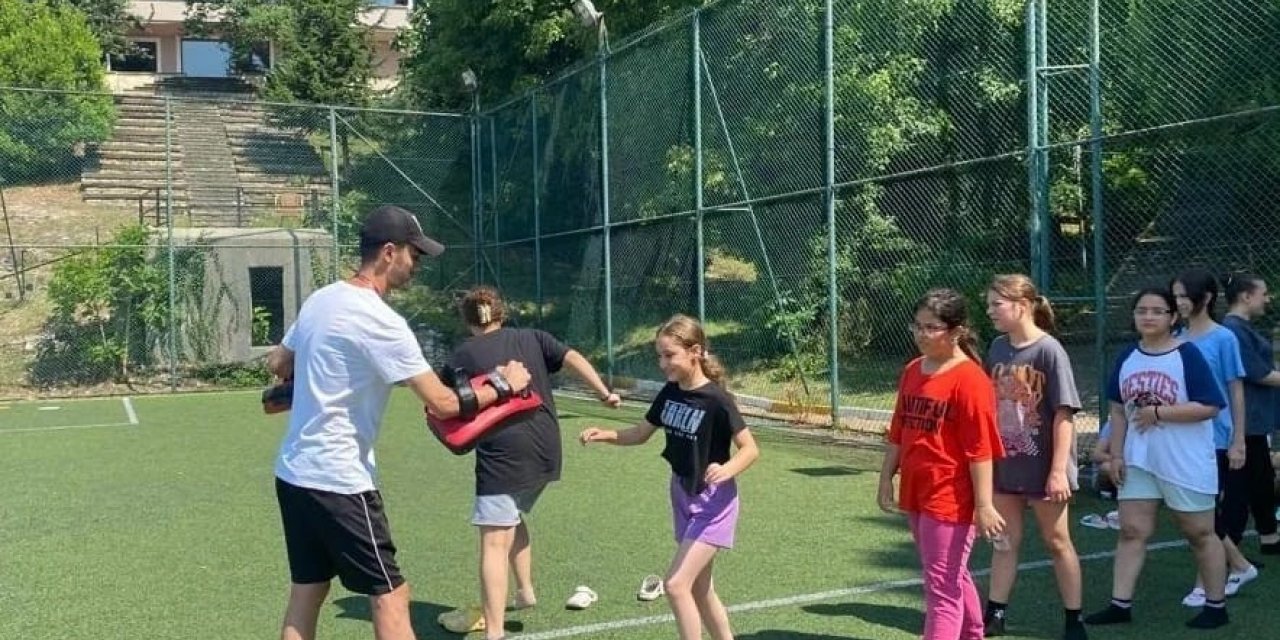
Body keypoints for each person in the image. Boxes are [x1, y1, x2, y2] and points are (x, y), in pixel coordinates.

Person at [266, 205, 532, 640]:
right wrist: (506, 383)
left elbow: (279, 362)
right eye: (415, 255)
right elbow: (444, 403)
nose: (418, 265)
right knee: (391, 595)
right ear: (389, 253)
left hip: (293, 473)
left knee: (308, 590)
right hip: (340, 481)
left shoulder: (322, 298)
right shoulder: (382, 322)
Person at [436, 286, 620, 640]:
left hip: (504, 456)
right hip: (547, 450)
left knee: (493, 541)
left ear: (468, 320)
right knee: (512, 515)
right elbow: (574, 358)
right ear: (501, 313)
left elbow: (447, 403)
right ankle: (524, 592)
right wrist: (603, 392)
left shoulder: (460, 355)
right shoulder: (533, 336)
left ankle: (494, 632)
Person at [580, 314, 759, 640]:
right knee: (701, 590)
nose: (663, 363)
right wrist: (603, 434)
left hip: (713, 501)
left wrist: (726, 469)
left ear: (695, 352)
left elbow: (750, 449)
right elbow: (640, 433)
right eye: (660, 356)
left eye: (669, 355)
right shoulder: (670, 392)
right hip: (681, 492)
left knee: (676, 586)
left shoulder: (717, 400)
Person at [1084, 287, 1228, 630]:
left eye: (1157, 311)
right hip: (1139, 459)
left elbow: (1209, 405)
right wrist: (1116, 454)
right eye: (1141, 311)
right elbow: (1118, 412)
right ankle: (1120, 604)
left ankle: (1216, 605)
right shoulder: (1126, 357)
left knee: (1199, 532)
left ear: (1173, 317)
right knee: (1132, 529)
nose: (1148, 317)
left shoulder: (1187, 355)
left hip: (1184, 460)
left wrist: (1161, 413)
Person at [877, 288, 1005, 640]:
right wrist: (887, 477)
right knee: (950, 574)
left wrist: (983, 504)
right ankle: (973, 633)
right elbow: (899, 430)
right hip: (917, 491)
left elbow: (981, 450)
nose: (921, 334)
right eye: (917, 326)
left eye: (931, 327)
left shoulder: (971, 381)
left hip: (951, 496)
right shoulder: (913, 370)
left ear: (957, 330)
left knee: (941, 588)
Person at [980, 275, 1086, 640]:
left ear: (1021, 306)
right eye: (989, 304)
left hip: (1043, 468)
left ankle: (1074, 620)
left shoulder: (1049, 350)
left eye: (997, 304)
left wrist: (1058, 471)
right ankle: (995, 615)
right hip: (1005, 464)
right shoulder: (996, 348)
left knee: (1057, 542)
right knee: (1004, 540)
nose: (990, 310)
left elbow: (1065, 414)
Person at [1170, 269, 1256, 605]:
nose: (1177, 302)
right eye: (1174, 295)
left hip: (1216, 438)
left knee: (1205, 514)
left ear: (1205, 299)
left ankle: (1207, 582)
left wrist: (1238, 440)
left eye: (1183, 295)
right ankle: (1238, 564)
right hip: (1181, 437)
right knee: (1191, 512)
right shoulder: (1174, 335)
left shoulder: (1224, 338)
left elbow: (1235, 390)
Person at [1221, 273, 1280, 555]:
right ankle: (1231, 546)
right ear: (1246, 296)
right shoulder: (1233, 329)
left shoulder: (1241, 328)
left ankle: (1269, 536)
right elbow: (1257, 373)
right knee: (1242, 486)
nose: (1267, 299)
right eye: (1263, 293)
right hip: (1244, 420)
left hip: (1255, 420)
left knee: (1261, 479)